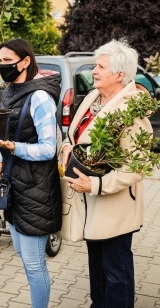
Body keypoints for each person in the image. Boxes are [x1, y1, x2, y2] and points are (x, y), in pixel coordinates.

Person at [61, 39, 150, 308]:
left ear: (120, 75)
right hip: (90, 202)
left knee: (116, 271)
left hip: (114, 205)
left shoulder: (131, 112)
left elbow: (137, 167)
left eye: (100, 66)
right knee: (97, 265)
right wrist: (66, 147)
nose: (94, 71)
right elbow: (74, 135)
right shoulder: (94, 97)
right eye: (95, 65)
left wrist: (96, 185)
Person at [0, 38, 62, 308]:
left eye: (8, 61)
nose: (3, 66)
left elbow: (49, 149)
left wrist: (14, 148)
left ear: (25, 61)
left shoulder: (39, 97)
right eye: (0, 61)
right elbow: (2, 136)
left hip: (36, 190)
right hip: (15, 185)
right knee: (22, 254)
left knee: (34, 263)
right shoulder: (9, 92)